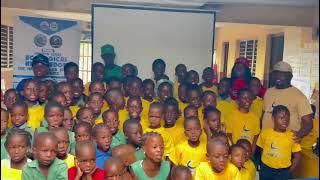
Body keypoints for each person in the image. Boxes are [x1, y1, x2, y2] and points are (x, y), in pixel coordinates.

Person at [262, 61, 313, 143]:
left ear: (290, 76)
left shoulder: (299, 96)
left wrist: (299, 135)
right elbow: (264, 114)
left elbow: (308, 123)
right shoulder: (268, 92)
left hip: (286, 145)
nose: (277, 77)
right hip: (265, 142)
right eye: (276, 74)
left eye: (282, 74)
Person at [257, 105, 302, 179]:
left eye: (287, 118)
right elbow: (262, 150)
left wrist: (288, 172)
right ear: (273, 118)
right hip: (266, 170)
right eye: (281, 118)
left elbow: (298, 156)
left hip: (283, 172)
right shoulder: (265, 133)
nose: (285, 121)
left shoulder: (292, 136)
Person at [226, 88, 259, 153]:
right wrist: (233, 148)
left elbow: (256, 136)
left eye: (250, 98)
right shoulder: (231, 116)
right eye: (244, 98)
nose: (248, 100)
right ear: (238, 100)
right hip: (235, 151)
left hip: (248, 151)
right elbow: (228, 134)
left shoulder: (255, 117)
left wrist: (252, 150)